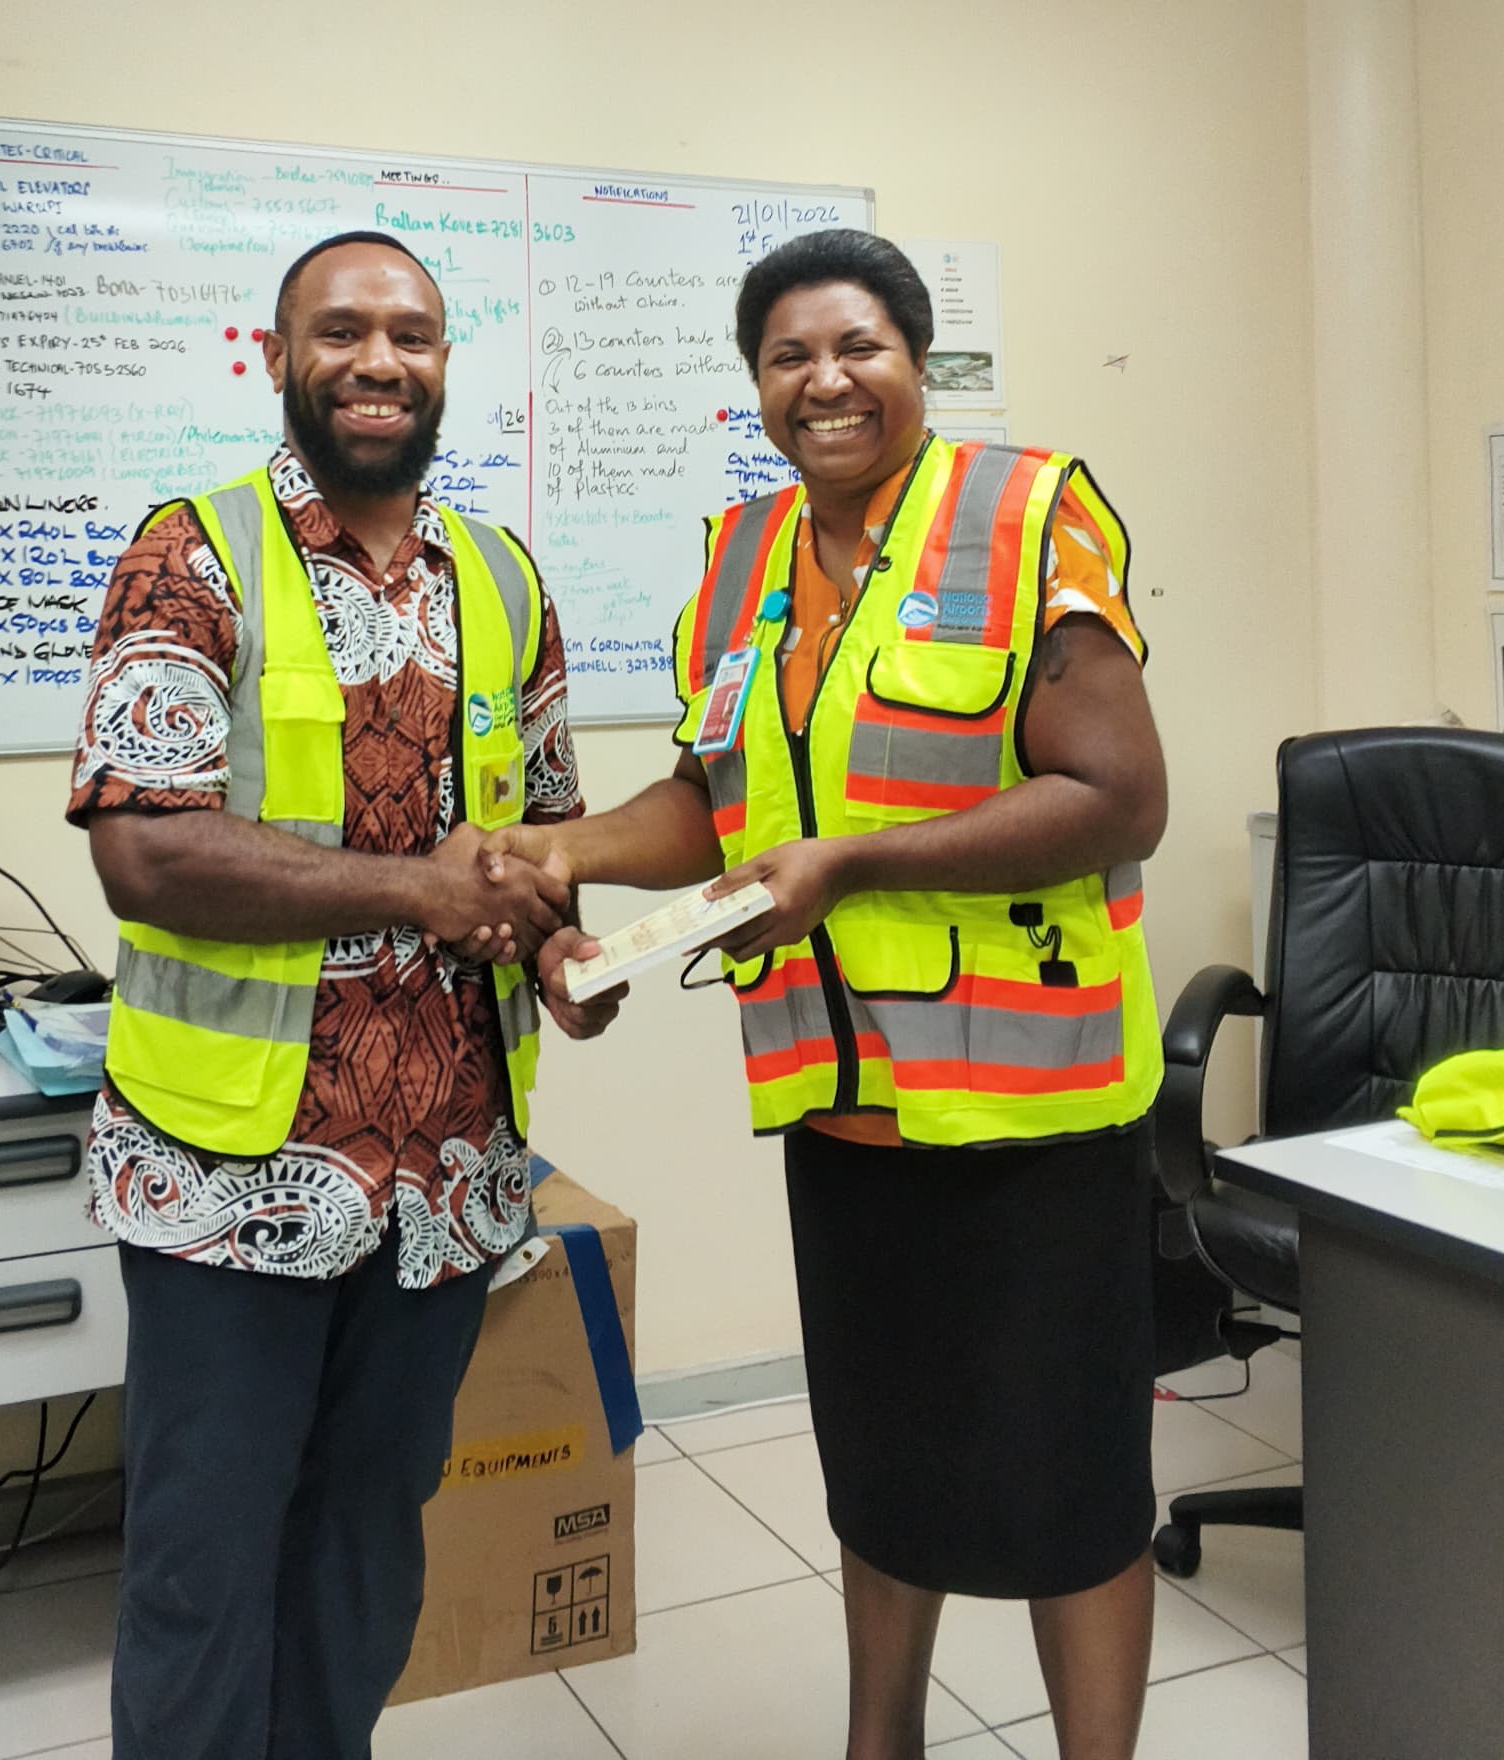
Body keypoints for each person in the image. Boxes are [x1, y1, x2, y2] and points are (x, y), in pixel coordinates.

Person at [495, 228, 1168, 1760]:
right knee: (882, 1471)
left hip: (1036, 1117)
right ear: (758, 386)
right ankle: (882, 1742)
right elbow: (714, 801)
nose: (826, 380)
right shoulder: (744, 558)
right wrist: (565, 858)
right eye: (788, 356)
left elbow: (1119, 795)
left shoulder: (1024, 515)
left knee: (1069, 1493)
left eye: (858, 346)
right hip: (844, 1115)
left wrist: (853, 865)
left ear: (916, 361)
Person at [69, 229, 613, 1760]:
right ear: (278, 358)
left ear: (443, 365)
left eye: (412, 336)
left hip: (447, 1179)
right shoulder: (193, 555)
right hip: (229, 1177)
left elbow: (542, 837)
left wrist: (561, 951)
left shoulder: (502, 577)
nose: (380, 361)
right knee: (203, 1571)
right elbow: (143, 851)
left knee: (365, 1552)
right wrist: (415, 890)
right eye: (343, 331)